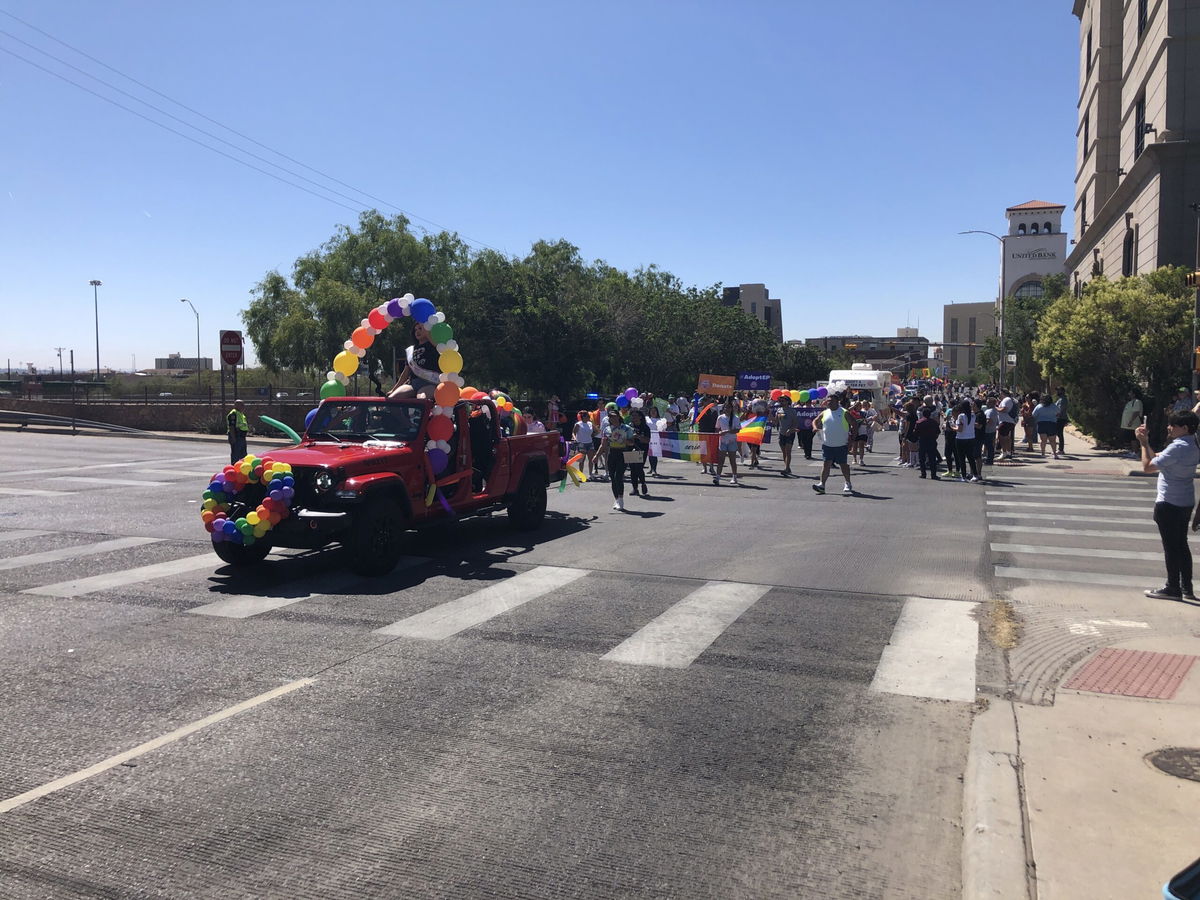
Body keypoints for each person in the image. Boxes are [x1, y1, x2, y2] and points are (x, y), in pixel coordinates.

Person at [1136, 411, 1200, 600]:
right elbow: (1157, 458)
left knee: (1171, 547)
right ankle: (1186, 587)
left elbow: (1147, 467)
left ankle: (1172, 587)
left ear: (1185, 428)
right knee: (1181, 545)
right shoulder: (1194, 444)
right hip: (1185, 501)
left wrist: (1142, 444)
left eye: (1173, 425)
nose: (1169, 428)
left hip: (1169, 502)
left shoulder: (1178, 447)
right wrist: (1147, 443)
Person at [811, 394, 854, 495]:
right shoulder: (825, 412)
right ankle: (822, 485)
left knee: (843, 465)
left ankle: (848, 483)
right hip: (827, 444)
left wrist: (852, 439)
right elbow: (815, 420)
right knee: (826, 464)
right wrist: (814, 427)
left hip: (841, 444)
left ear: (837, 402)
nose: (828, 402)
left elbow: (854, 424)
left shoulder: (844, 412)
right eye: (828, 401)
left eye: (831, 401)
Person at [388, 322, 440, 399]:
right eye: (415, 330)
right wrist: (394, 389)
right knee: (392, 398)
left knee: (421, 399)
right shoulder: (411, 350)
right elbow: (405, 373)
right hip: (413, 384)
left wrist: (427, 332)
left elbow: (439, 348)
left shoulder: (435, 346)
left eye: (420, 328)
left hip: (430, 383)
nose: (417, 331)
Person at [600, 408, 634, 511]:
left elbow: (632, 442)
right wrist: (596, 455)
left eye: (614, 416)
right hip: (611, 453)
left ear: (618, 417)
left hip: (623, 453)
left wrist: (624, 440)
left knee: (618, 476)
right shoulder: (607, 429)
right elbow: (603, 444)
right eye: (610, 417)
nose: (612, 419)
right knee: (612, 477)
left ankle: (621, 499)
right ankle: (616, 499)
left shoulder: (626, 428)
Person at [951, 400, 981, 482]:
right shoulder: (973, 415)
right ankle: (975, 475)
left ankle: (963, 476)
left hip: (961, 438)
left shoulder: (961, 416)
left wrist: (953, 428)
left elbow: (960, 429)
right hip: (971, 438)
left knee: (962, 458)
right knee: (971, 458)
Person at [713, 399, 741, 486]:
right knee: (721, 460)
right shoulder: (720, 418)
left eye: (729, 408)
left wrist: (726, 432)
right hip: (723, 441)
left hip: (732, 441)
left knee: (732, 460)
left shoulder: (736, 418)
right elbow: (717, 429)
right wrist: (719, 433)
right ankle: (718, 477)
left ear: (731, 409)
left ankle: (734, 476)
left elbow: (737, 430)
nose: (727, 409)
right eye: (725, 407)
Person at [910, 403, 941, 480]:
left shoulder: (919, 422)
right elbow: (938, 432)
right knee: (932, 459)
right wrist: (934, 438)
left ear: (923, 414)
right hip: (932, 441)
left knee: (922, 459)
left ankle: (923, 474)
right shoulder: (934, 422)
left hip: (922, 441)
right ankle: (933, 475)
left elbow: (915, 433)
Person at [628, 408, 651, 497]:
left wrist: (637, 437)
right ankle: (635, 488)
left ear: (640, 417)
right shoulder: (629, 426)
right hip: (631, 449)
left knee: (638, 468)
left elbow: (647, 440)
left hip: (641, 450)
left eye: (635, 416)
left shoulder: (645, 427)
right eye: (632, 416)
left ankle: (643, 483)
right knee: (632, 469)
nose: (633, 418)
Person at [775, 393, 799, 476]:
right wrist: (770, 416)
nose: (781, 402)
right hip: (781, 433)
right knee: (784, 452)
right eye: (780, 400)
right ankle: (787, 468)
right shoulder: (779, 410)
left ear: (788, 401)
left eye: (783, 400)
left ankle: (787, 468)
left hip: (790, 433)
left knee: (788, 452)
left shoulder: (792, 411)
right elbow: (775, 422)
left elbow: (795, 423)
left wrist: (791, 429)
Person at [1032, 393, 1061, 458]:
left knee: (1043, 441)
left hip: (1041, 424)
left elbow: (1033, 415)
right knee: (1053, 440)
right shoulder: (1053, 406)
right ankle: (1054, 454)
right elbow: (1059, 413)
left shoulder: (1039, 406)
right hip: (1052, 424)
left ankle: (1043, 453)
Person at [1119, 391, 1143, 458]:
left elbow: (1136, 412)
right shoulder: (1129, 402)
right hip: (1127, 425)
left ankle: (1135, 452)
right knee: (1130, 439)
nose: (1129, 394)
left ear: (1134, 394)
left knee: (1134, 439)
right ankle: (1132, 451)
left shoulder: (1137, 402)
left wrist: (1131, 421)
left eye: (1130, 393)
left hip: (1133, 424)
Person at [572, 411, 595, 478]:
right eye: (588, 416)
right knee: (581, 460)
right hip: (581, 443)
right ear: (584, 417)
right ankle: (581, 475)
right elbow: (573, 433)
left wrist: (593, 435)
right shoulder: (578, 424)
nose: (589, 417)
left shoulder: (590, 423)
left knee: (591, 459)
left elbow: (595, 431)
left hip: (590, 442)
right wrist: (575, 439)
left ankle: (590, 474)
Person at [226, 399, 248, 464]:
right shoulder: (233, 414)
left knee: (243, 456)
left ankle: (242, 470)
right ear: (236, 405)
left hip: (241, 437)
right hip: (236, 436)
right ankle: (234, 470)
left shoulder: (241, 414)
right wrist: (233, 438)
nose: (243, 406)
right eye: (242, 405)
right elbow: (231, 427)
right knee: (236, 455)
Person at [1053, 386, 1069, 456]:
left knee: (1059, 434)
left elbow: (1060, 410)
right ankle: (1060, 449)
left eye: (1058, 390)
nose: (1057, 392)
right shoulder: (1060, 399)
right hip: (1059, 418)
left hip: (1060, 418)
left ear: (1062, 391)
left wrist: (1055, 416)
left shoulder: (1063, 400)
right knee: (1058, 433)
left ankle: (1061, 450)